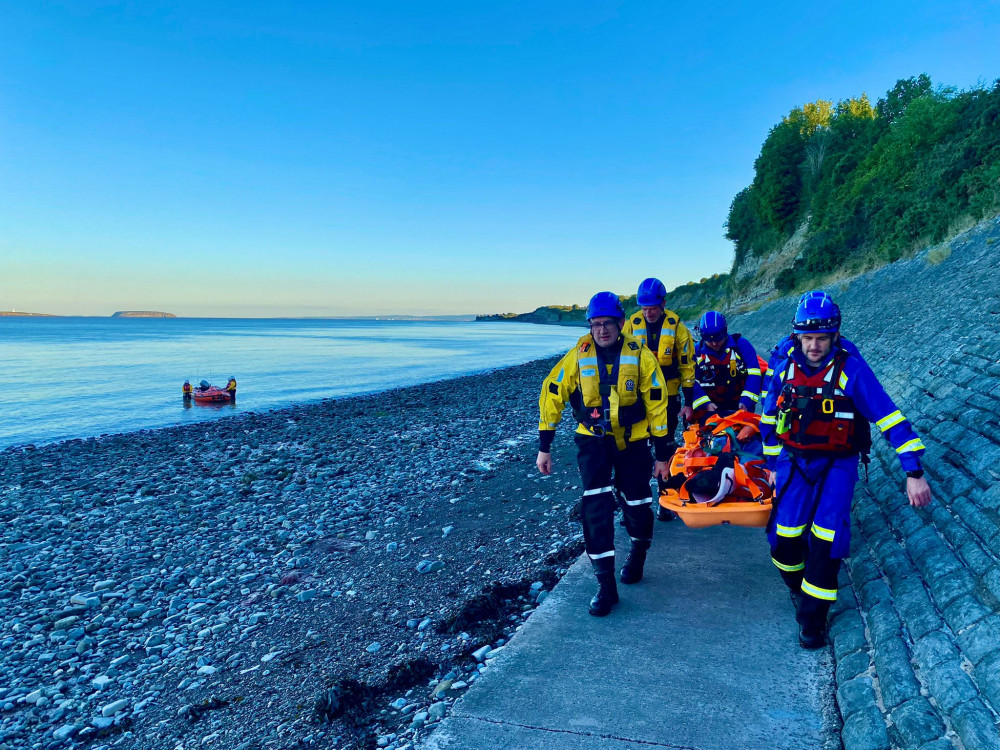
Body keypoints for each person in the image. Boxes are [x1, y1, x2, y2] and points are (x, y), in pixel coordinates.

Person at [760, 294, 932, 649]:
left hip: (838, 464)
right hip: (793, 463)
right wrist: (772, 467)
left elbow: (889, 417)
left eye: (821, 338)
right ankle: (798, 588)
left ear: (834, 336)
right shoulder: (784, 369)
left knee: (826, 539)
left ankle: (812, 620)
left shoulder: (850, 370)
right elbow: (769, 421)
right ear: (796, 337)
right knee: (783, 540)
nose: (813, 345)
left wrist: (913, 471)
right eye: (807, 338)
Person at [537, 292, 672, 617]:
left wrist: (663, 454)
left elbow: (657, 403)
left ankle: (638, 550)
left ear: (620, 323)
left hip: (633, 443)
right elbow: (553, 391)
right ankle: (605, 585)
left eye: (607, 324)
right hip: (593, 443)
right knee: (594, 509)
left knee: (637, 503)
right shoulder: (579, 354)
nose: (601, 331)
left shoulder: (639, 355)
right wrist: (545, 445)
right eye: (595, 325)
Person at [622, 278, 696, 521]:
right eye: (644, 308)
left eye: (652, 307)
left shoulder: (678, 328)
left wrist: (688, 402)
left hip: (669, 398)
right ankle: (636, 505)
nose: (648, 312)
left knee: (665, 448)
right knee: (637, 451)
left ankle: (665, 501)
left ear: (663, 303)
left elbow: (687, 366)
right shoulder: (631, 325)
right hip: (637, 400)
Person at [691, 311, 762, 416]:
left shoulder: (741, 345)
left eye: (718, 338)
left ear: (725, 331)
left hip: (740, 404)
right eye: (709, 340)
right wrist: (705, 404)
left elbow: (754, 374)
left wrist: (746, 400)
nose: (714, 344)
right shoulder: (696, 352)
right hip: (709, 408)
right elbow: (691, 381)